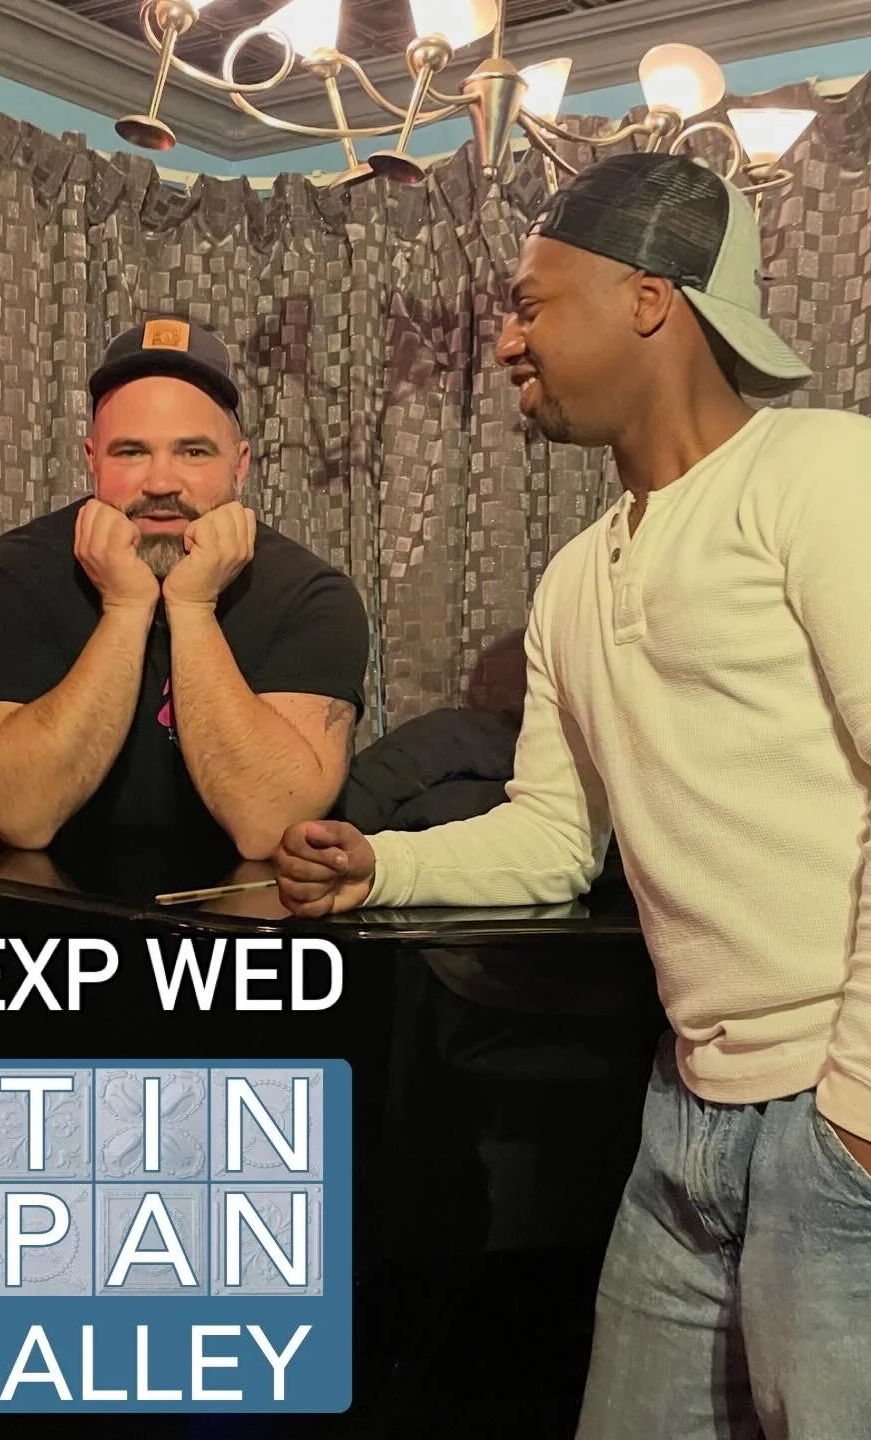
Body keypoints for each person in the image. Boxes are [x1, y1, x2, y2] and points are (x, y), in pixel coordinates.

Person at [272, 151, 871, 1438]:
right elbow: (555, 838)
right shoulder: (573, 578)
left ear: (650, 298)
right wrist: (382, 866)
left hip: (837, 1118)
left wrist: (857, 1114)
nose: (505, 342)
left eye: (532, 304)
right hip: (688, 1113)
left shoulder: (825, 474)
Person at [0, 316, 368, 876]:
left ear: (240, 466)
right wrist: (125, 608)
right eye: (131, 452)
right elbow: (20, 814)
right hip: (44, 920)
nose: (162, 482)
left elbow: (270, 823)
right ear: (92, 460)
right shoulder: (7, 578)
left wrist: (192, 608)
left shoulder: (312, 596)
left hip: (243, 921)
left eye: (193, 452)